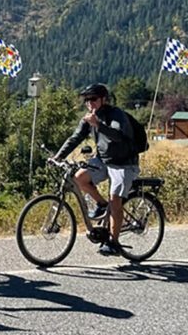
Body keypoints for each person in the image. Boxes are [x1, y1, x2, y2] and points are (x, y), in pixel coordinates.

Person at [51, 83, 138, 256]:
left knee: (116, 199)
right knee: (79, 178)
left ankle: (114, 242)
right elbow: (75, 138)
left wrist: (98, 124)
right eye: (87, 100)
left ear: (104, 99)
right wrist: (58, 156)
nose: (90, 103)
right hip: (104, 161)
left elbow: (118, 136)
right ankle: (101, 203)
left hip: (124, 163)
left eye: (93, 99)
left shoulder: (116, 114)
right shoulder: (90, 118)